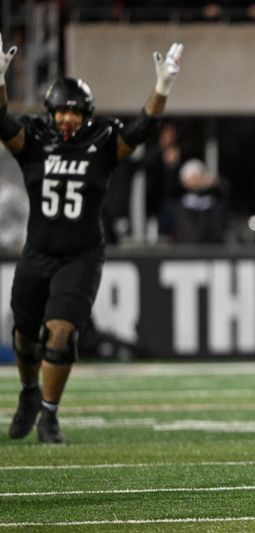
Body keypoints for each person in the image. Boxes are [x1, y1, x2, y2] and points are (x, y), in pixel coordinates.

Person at [0, 34, 182, 444]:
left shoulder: (100, 143)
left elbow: (143, 128)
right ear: (50, 113)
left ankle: (49, 414)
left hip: (81, 254)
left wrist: (162, 87)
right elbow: (2, 121)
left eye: (74, 112)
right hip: (38, 251)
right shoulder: (34, 142)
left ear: (86, 114)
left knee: (61, 333)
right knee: (24, 336)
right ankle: (29, 393)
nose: (67, 119)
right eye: (61, 111)